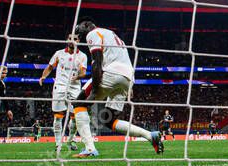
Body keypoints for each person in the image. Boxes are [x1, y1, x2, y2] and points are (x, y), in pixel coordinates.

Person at [73, 17, 164, 155]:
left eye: (80, 29)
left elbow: (97, 62)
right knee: (108, 121)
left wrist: (95, 91)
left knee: (78, 103)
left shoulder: (93, 33)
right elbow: (124, 59)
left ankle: (90, 149)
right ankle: (150, 136)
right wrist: (129, 86)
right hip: (127, 78)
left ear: (86, 25)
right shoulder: (111, 34)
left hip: (111, 73)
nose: (80, 34)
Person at [38, 34, 94, 155]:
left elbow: (83, 73)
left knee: (76, 115)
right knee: (58, 116)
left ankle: (70, 139)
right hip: (60, 87)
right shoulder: (59, 54)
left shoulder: (82, 56)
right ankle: (58, 144)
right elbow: (50, 67)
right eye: (70, 38)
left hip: (74, 88)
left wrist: (77, 76)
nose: (72, 41)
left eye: (75, 39)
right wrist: (43, 76)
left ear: (78, 41)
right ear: (66, 40)